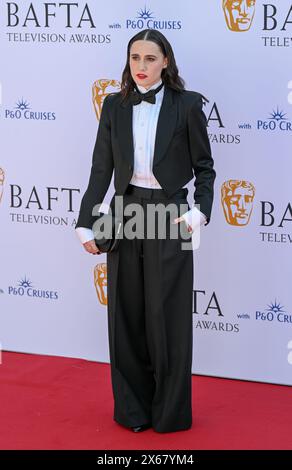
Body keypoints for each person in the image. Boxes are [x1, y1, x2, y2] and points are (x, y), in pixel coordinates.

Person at [75, 28, 216, 433]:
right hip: (124, 210)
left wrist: (199, 212)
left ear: (166, 61)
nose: (141, 66)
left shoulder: (187, 105)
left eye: (150, 58)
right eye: (135, 57)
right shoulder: (114, 105)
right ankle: (132, 411)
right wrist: (86, 222)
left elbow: (205, 168)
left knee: (167, 315)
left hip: (172, 211)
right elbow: (101, 168)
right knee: (125, 313)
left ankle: (170, 415)